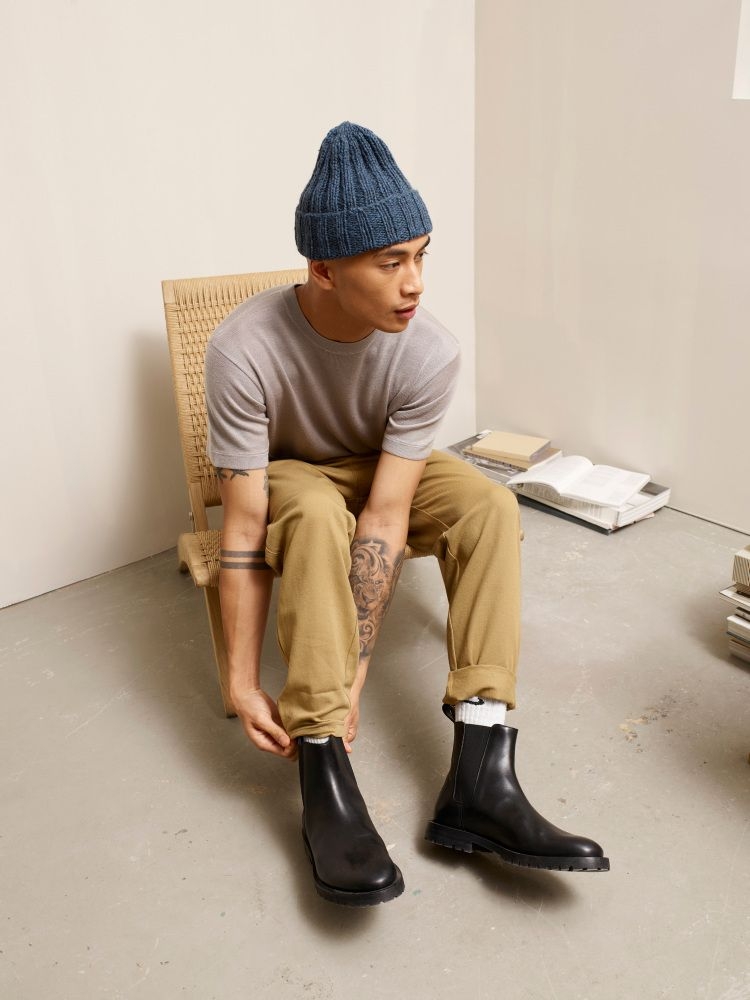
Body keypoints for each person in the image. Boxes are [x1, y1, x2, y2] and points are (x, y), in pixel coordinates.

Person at [205, 122, 609, 907]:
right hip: (291, 475)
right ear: (324, 269)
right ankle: (323, 763)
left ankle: (480, 777)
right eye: (391, 262)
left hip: (380, 469)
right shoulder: (242, 348)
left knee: (487, 505)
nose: (415, 283)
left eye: (421, 256)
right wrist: (242, 682)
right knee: (314, 513)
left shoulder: (429, 350)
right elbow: (246, 529)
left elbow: (387, 514)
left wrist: (357, 671)